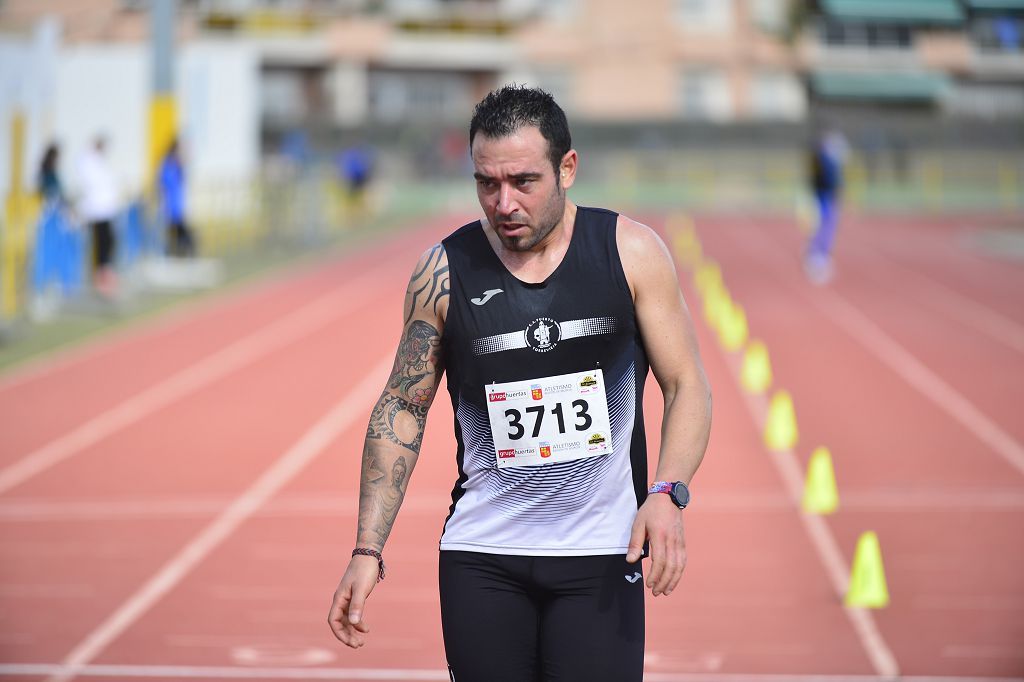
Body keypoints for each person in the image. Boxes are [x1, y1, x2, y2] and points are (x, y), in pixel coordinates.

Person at [327, 85, 712, 682]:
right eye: (486, 183)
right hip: (483, 557)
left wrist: (667, 492)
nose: (503, 203)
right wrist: (366, 549)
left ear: (568, 169)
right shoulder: (443, 273)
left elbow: (687, 384)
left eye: (523, 182)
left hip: (601, 555)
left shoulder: (630, 253)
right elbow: (402, 406)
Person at [76, 135, 120, 296]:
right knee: (100, 243)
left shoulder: (98, 162)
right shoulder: (88, 161)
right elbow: (92, 185)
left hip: (105, 209)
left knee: (108, 242)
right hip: (96, 210)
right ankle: (99, 275)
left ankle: (105, 271)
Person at [804, 127, 848, 284]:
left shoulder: (821, 159)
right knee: (824, 228)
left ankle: (818, 256)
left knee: (824, 227)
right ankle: (817, 258)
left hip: (823, 197)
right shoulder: (823, 160)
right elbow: (827, 180)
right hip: (823, 197)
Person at [159, 137, 196, 257]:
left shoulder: (176, 164)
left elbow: (184, 171)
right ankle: (173, 252)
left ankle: (185, 249)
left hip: (177, 202)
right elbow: (163, 183)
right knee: (172, 229)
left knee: (180, 228)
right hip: (171, 202)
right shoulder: (168, 164)